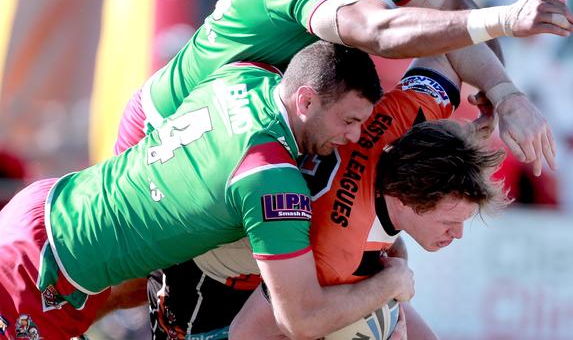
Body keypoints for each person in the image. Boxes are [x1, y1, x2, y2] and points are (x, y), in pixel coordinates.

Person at [0, 42, 415, 339]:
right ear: (305, 101)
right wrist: (390, 284)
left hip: (50, 204)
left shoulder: (243, 75)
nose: (354, 135)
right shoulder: (269, 177)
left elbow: (149, 100)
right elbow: (301, 319)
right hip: (49, 271)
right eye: (348, 120)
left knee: (125, 287)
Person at [145, 43, 511, 339]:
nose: (459, 234)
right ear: (407, 198)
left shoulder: (412, 114)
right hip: (199, 307)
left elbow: (454, 44)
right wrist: (389, 283)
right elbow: (249, 333)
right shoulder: (334, 252)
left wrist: (502, 96)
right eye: (450, 221)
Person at [115, 0, 573, 176]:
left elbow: (454, 8)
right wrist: (507, 19)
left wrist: (504, 93)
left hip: (253, 135)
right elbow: (377, 29)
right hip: (170, 129)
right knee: (123, 289)